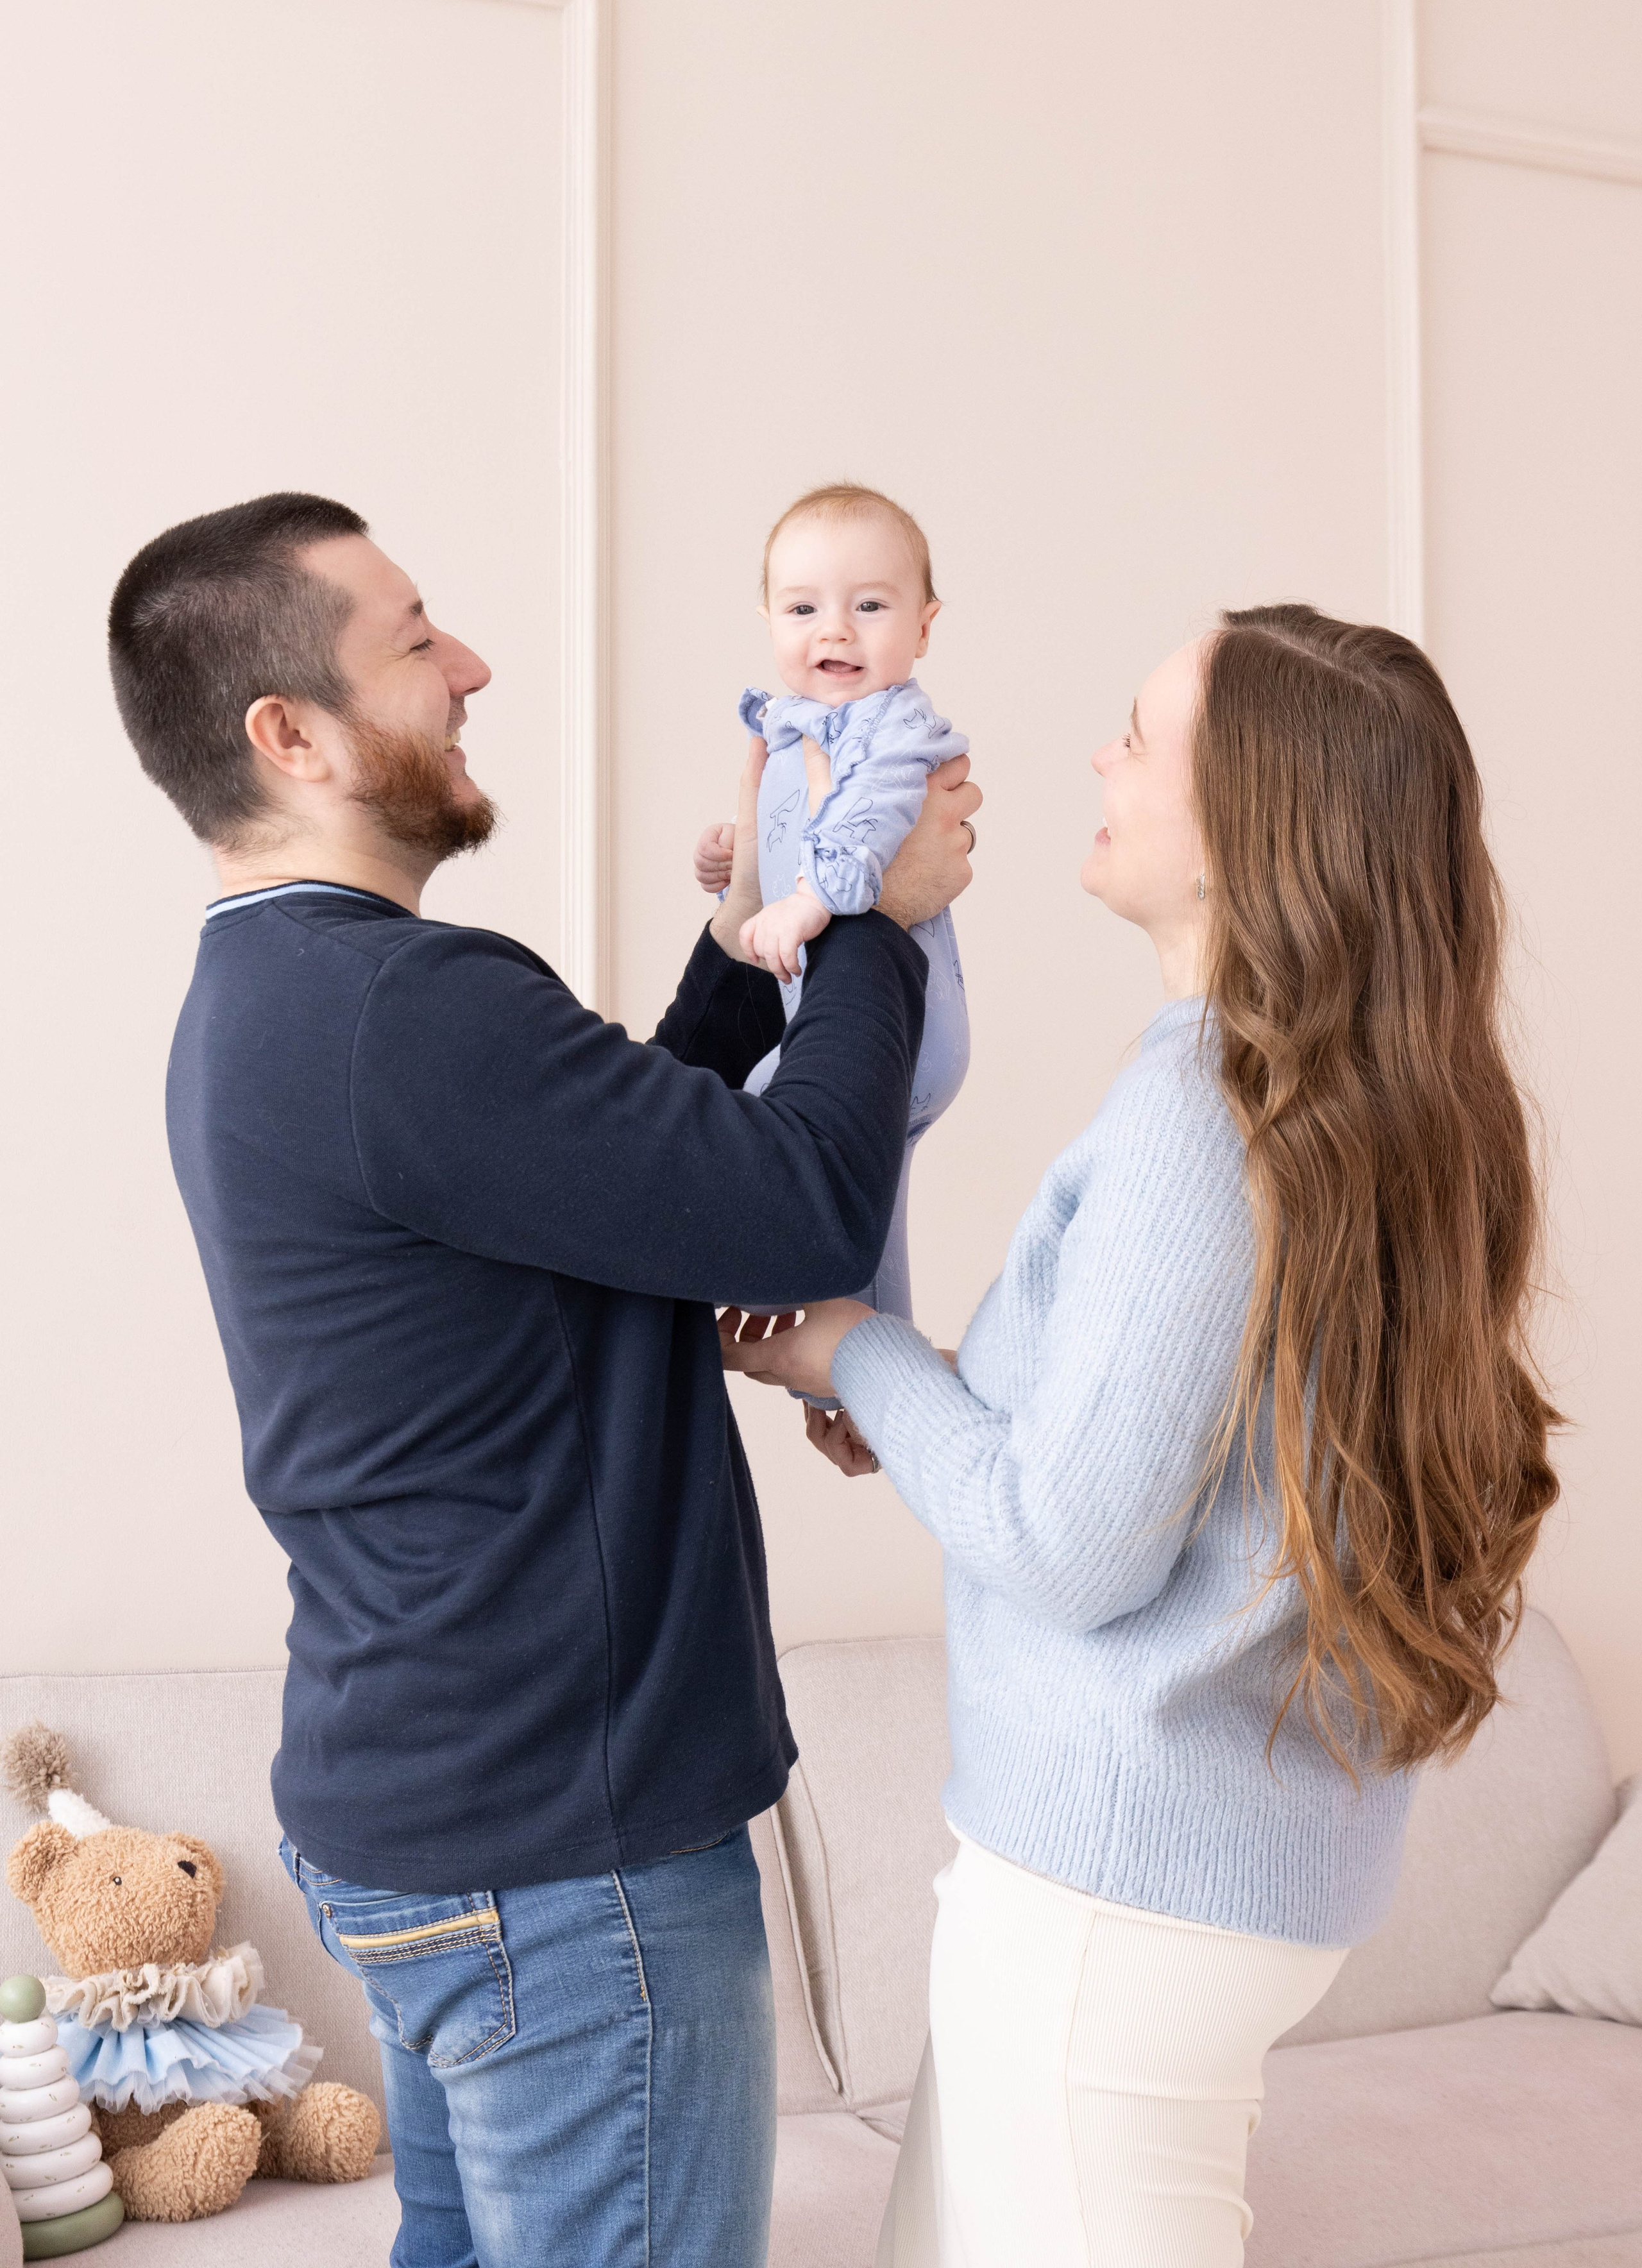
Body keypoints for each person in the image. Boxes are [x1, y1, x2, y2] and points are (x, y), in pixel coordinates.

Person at [105, 490, 979, 2268]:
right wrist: (875, 917)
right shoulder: (407, 1008)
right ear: (292, 734)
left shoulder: (273, 1001)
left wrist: (753, 960)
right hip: (563, 1863)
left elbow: (609, 1167)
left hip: (428, 1819)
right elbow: (797, 1199)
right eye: (417, 641)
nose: (472, 666)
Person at [723, 605, 1560, 2267]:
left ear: (1256, 818)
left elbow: (1073, 1543)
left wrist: (855, 1347)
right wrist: (930, 1402)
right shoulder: (1367, 1101)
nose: (1099, 760)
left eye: (1140, 736)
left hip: (1116, 1889)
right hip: (1193, 1881)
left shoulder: (1206, 1104)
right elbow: (1196, 1447)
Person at [697, 484, 971, 1350]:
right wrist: (733, 871)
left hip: (906, 1035)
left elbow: (869, 822)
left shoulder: (895, 731)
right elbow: (775, 852)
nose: (836, 631)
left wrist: (812, 901)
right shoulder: (795, 727)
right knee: (870, 1227)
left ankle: (777, 1297)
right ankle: (862, 1373)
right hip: (851, 1035)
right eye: (804, 607)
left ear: (924, 626)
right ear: (767, 617)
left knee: (749, 1117)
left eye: (871, 606)